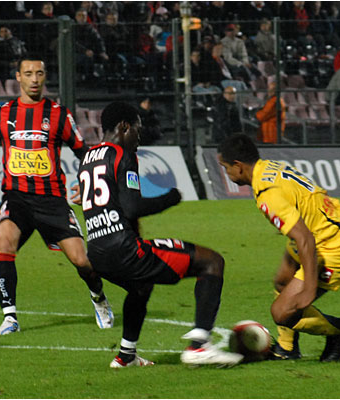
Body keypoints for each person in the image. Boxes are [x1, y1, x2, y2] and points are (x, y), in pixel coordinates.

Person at [78, 102, 244, 368]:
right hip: (124, 250)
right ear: (124, 127)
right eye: (137, 131)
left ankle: (126, 356)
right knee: (212, 262)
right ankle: (200, 345)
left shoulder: (88, 158)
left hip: (97, 253)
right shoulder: (123, 155)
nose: (139, 138)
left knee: (141, 286)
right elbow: (132, 207)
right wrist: (171, 197)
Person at [0, 55, 114, 335]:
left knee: (80, 260)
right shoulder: (2, 114)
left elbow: (82, 151)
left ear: (45, 77)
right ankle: (10, 317)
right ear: (18, 77)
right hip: (17, 198)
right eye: (28, 74)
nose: (34, 79)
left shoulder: (60, 114)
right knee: (5, 241)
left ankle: (98, 297)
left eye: (39, 73)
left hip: (52, 201)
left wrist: (87, 181)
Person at [217, 134, 340, 362]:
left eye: (225, 168)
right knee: (283, 281)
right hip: (319, 229)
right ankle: (287, 348)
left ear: (239, 166)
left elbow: (305, 239)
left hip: (334, 244)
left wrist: (309, 288)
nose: (226, 174)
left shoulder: (267, 193)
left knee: (282, 312)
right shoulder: (268, 168)